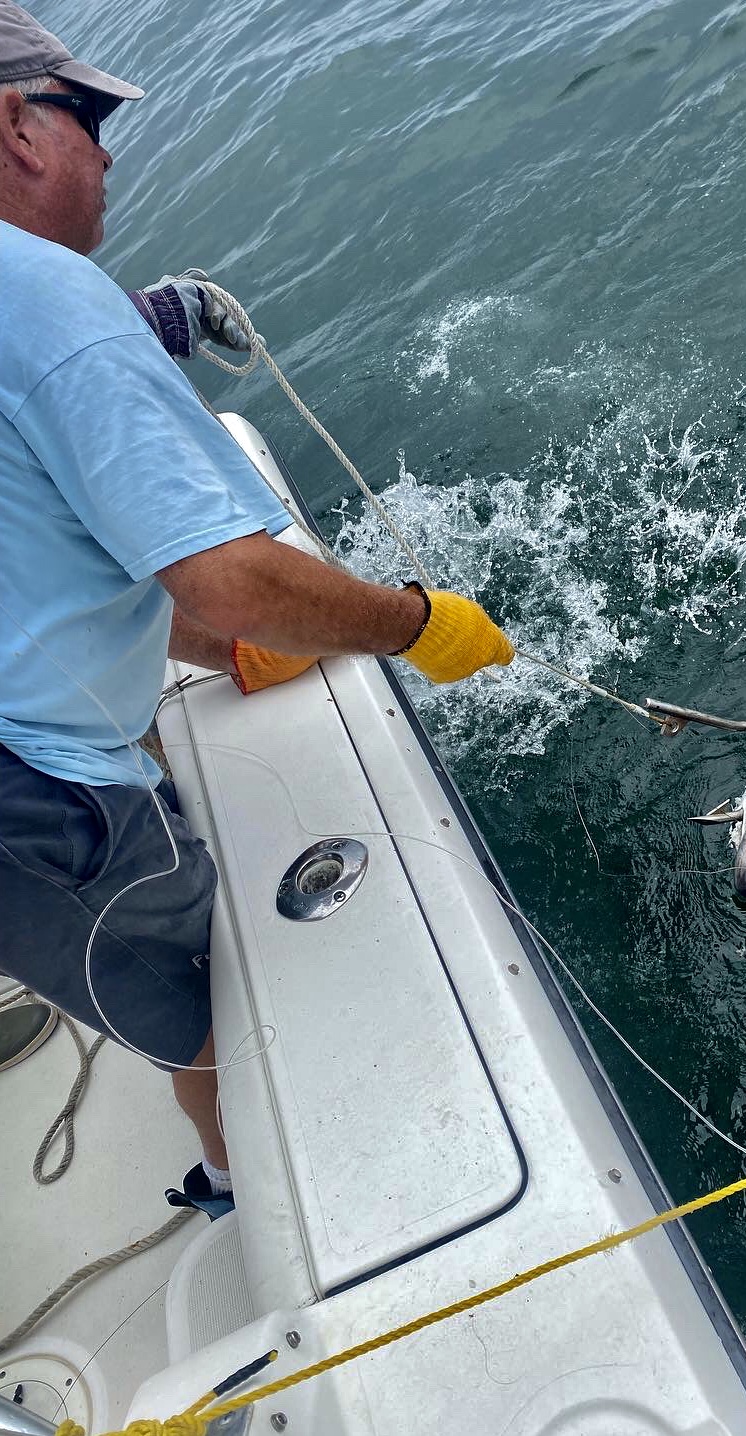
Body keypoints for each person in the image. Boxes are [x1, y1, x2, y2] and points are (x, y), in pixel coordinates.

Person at [0, 1, 514, 1218]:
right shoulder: (46, 298)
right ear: (14, 123)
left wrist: (216, 649)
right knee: (208, 999)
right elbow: (222, 568)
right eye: (86, 117)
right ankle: (256, 1193)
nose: (109, 151)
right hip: (36, 802)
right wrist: (413, 619)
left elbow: (49, 550)